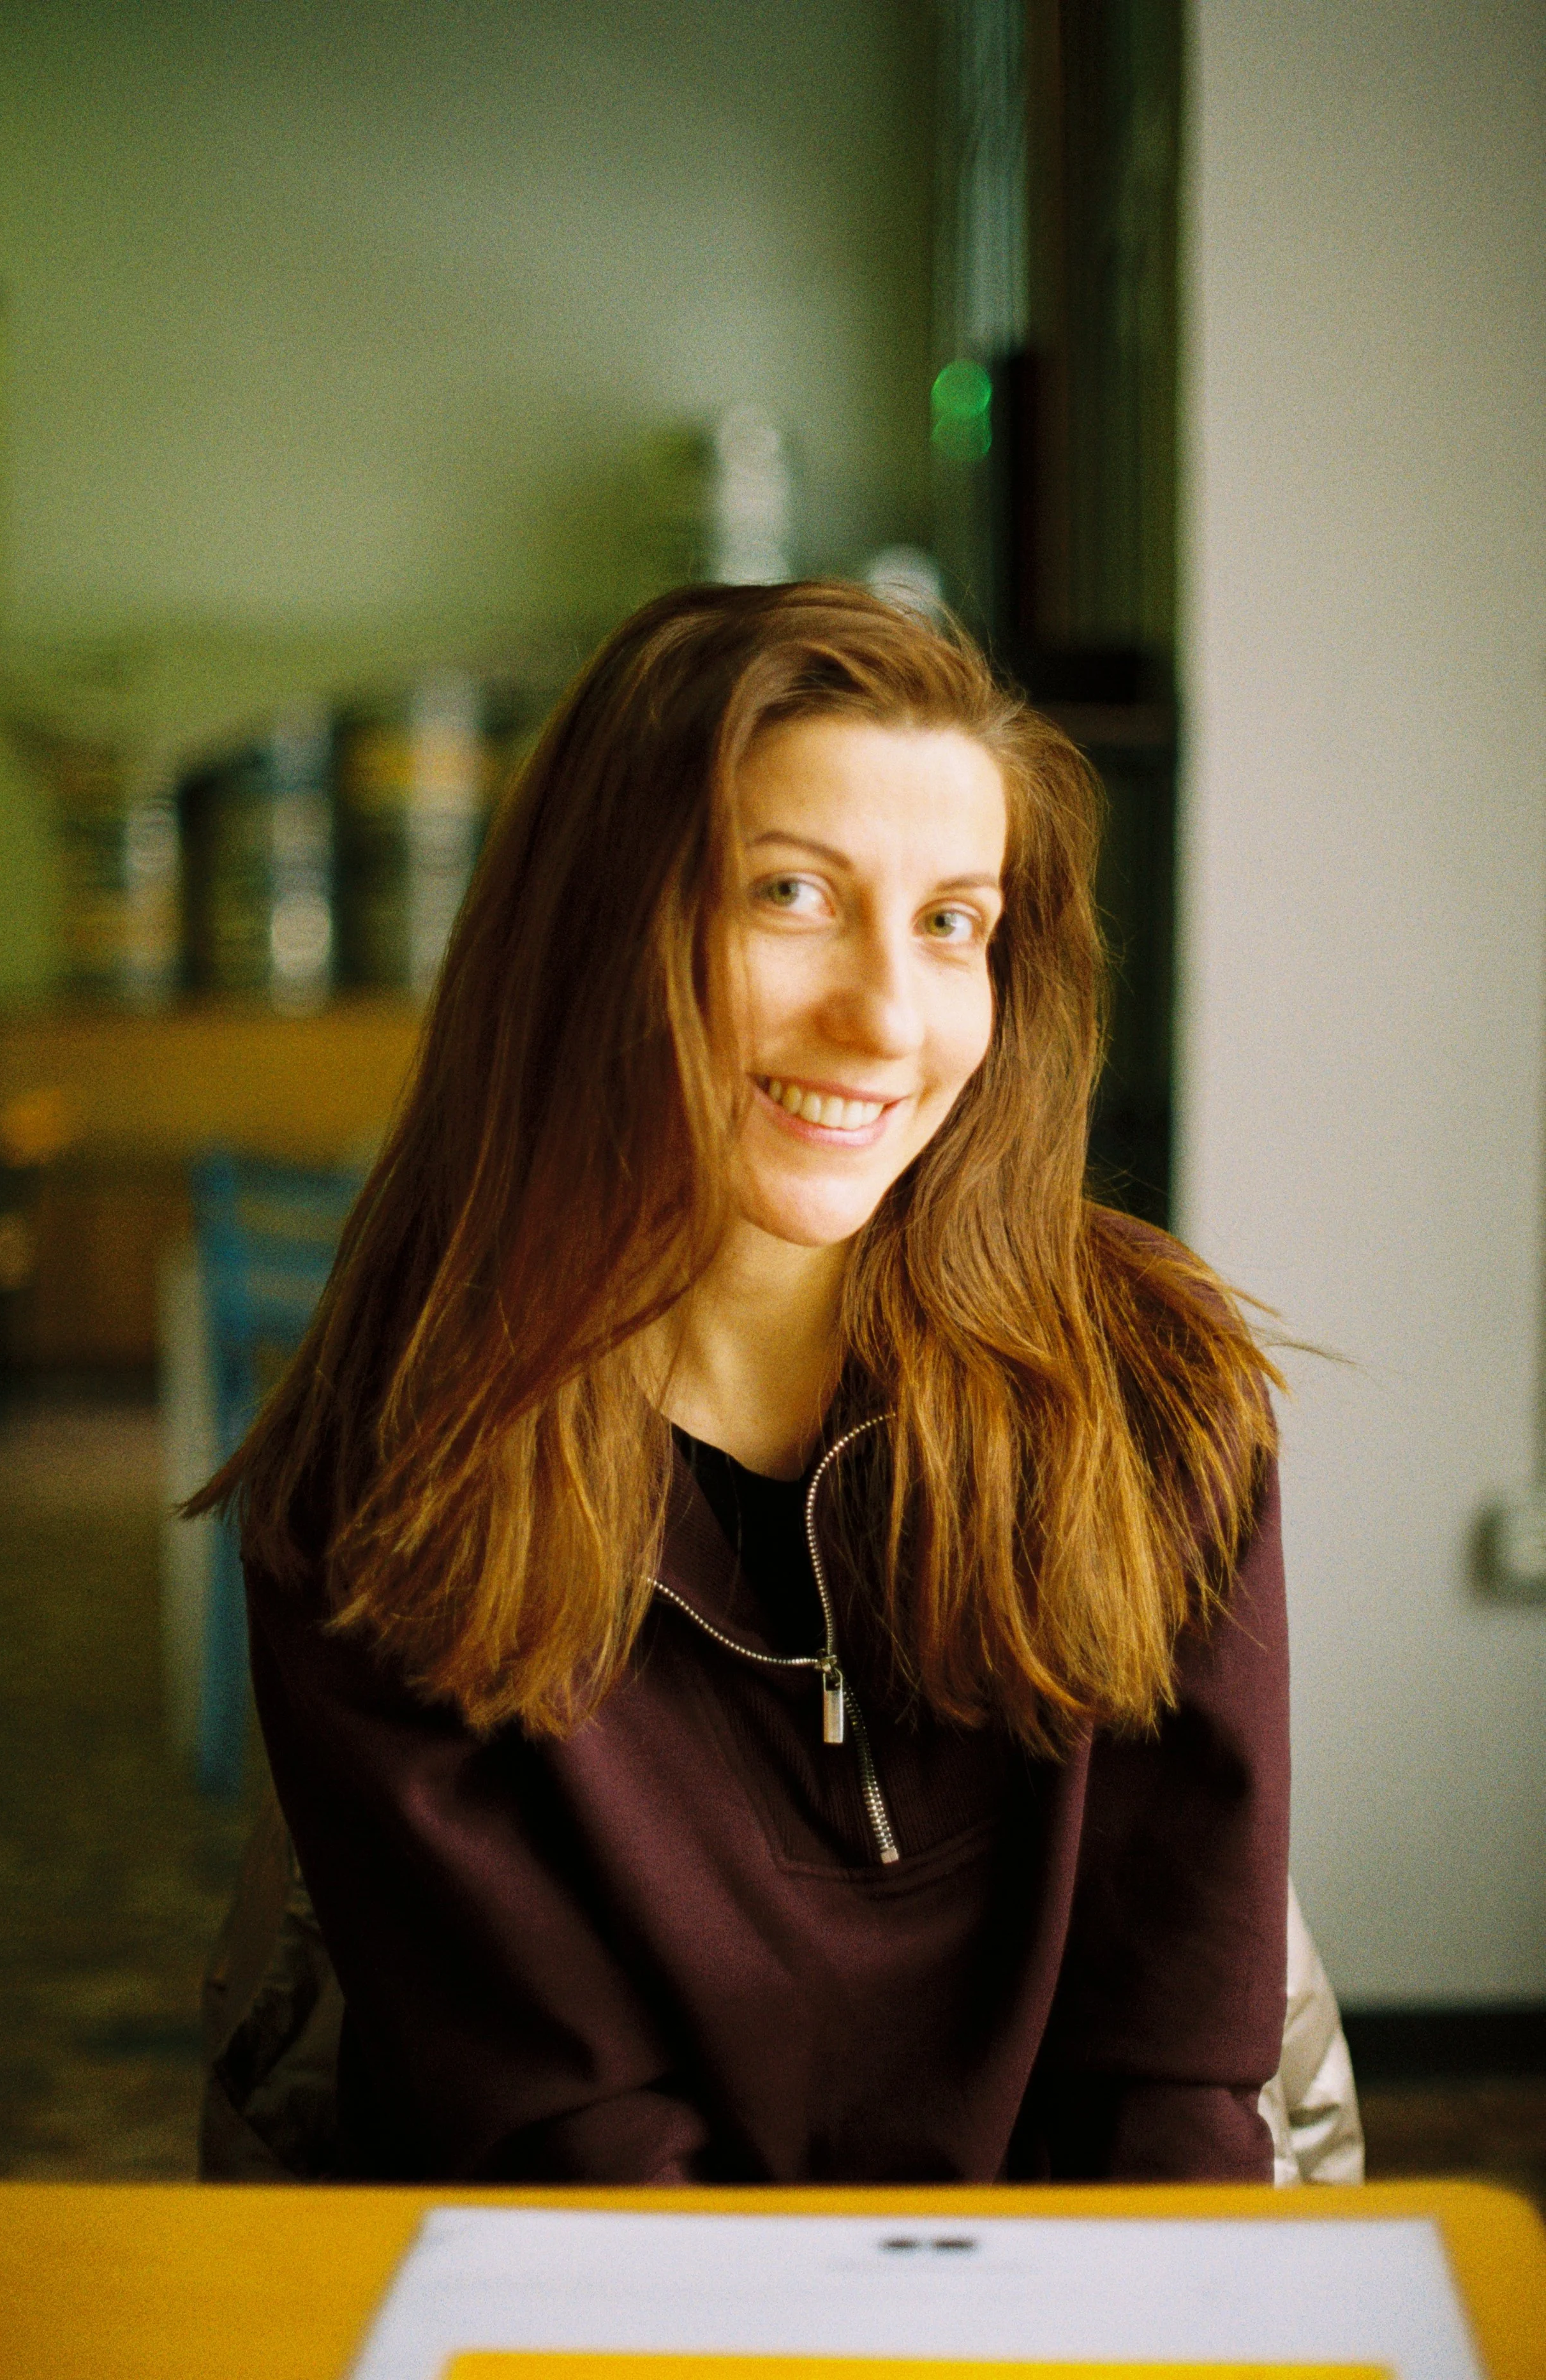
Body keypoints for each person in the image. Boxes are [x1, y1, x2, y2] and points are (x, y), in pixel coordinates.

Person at [194, 580, 1290, 2186]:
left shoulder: (1157, 1394)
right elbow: (577, 2145)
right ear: (595, 925)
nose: (883, 1019)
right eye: (788, 893)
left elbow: (1171, 2081)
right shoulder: (386, 1477)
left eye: (949, 923)